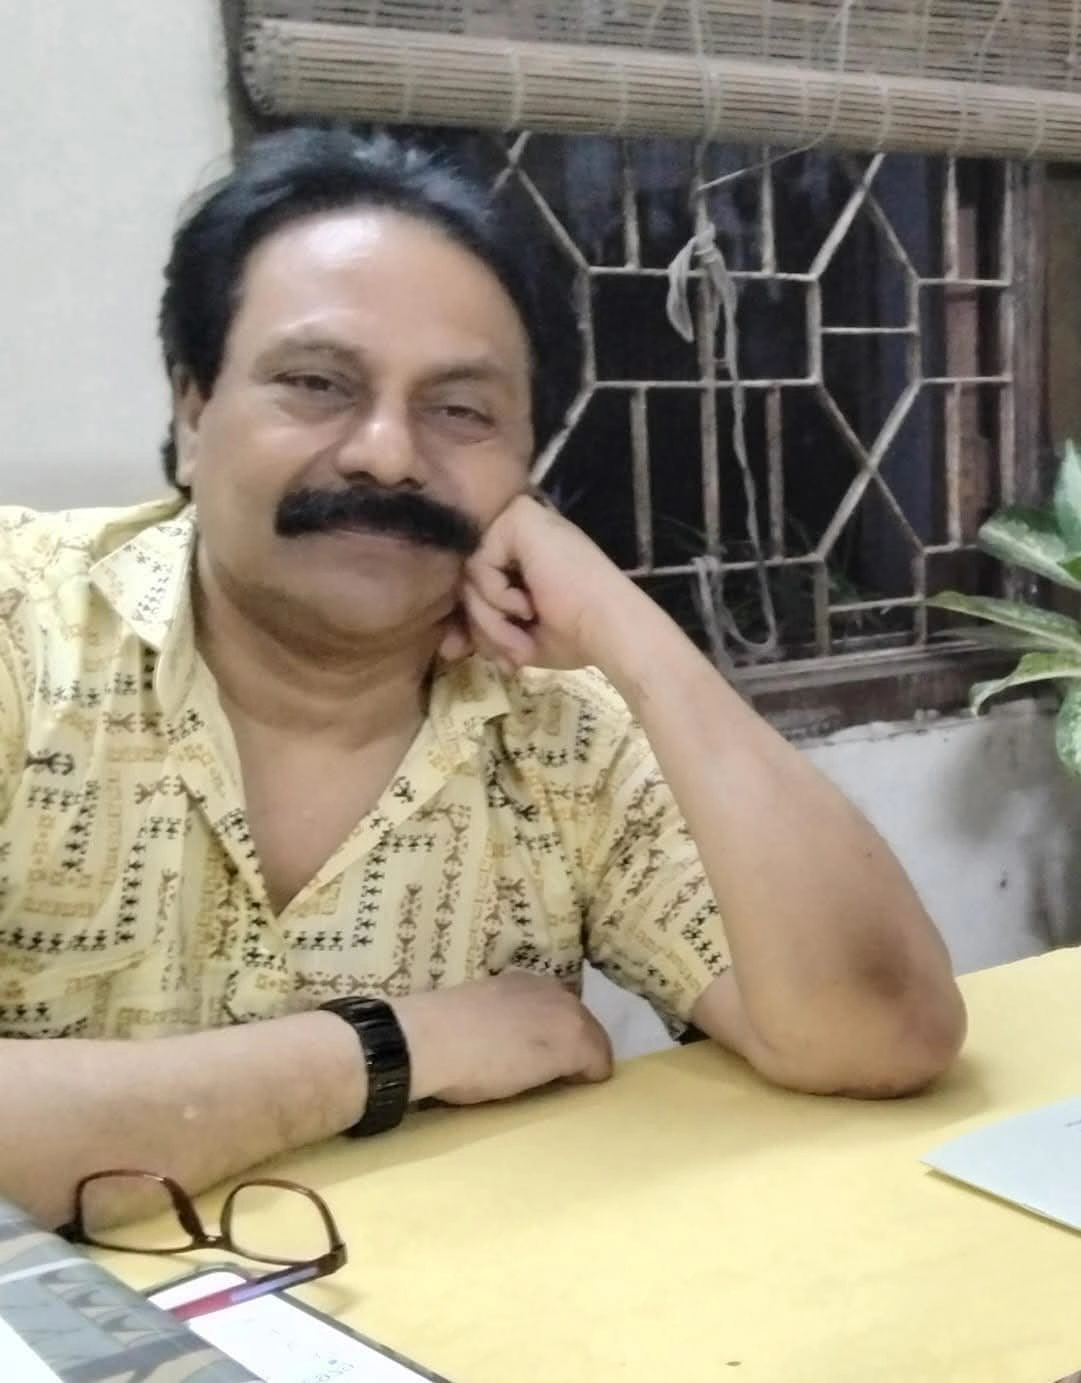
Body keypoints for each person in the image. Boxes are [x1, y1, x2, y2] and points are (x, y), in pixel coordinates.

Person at [0, 127, 964, 1227]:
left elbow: (879, 1032)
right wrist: (387, 1051)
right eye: (316, 384)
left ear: (527, 461)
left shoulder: (563, 728)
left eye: (460, 410)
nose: (386, 453)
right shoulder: (22, 629)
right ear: (192, 409)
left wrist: (632, 631)